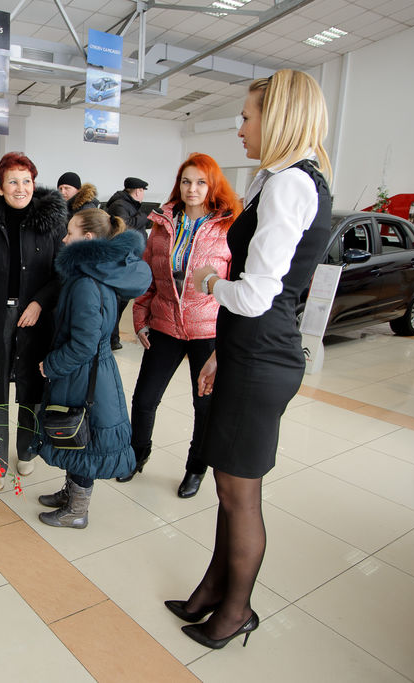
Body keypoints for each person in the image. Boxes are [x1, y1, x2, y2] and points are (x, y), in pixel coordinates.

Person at [167, 69, 333, 650]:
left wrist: (210, 281)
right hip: (248, 352)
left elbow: (258, 295)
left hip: (262, 355)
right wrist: (221, 353)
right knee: (227, 486)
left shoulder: (290, 184)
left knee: (240, 496)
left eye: (246, 116)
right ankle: (213, 590)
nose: (240, 128)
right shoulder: (284, 178)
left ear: (278, 116)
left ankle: (236, 612)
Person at [119, 154, 241, 498]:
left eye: (201, 182)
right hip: (164, 326)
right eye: (186, 181)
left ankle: (196, 468)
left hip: (208, 330)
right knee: (144, 399)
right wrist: (140, 319)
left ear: (212, 185)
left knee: (204, 406)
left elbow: (236, 285)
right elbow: (149, 277)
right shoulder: (163, 224)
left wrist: (229, 337)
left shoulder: (228, 227)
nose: (192, 189)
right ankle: (137, 454)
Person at [0, 152, 66, 490]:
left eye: (26, 181)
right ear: (0, 186)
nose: (21, 188)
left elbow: (62, 273)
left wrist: (39, 302)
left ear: (34, 183)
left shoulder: (51, 224)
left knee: (32, 388)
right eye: (13, 181)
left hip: (36, 320)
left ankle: (27, 449)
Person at [36, 208, 151, 527]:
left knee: (85, 438)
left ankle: (77, 511)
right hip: (91, 372)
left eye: (70, 232)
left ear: (87, 238)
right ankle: (71, 494)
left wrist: (51, 365)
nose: (64, 239)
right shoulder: (97, 272)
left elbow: (84, 343)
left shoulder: (86, 282)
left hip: (86, 375)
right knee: (79, 435)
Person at [105, 177, 150, 350]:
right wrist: (144, 215)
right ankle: (111, 339)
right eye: (143, 191)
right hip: (122, 260)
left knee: (121, 301)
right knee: (118, 302)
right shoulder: (120, 205)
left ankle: (113, 338)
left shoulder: (128, 205)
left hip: (130, 259)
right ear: (138, 191)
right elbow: (125, 226)